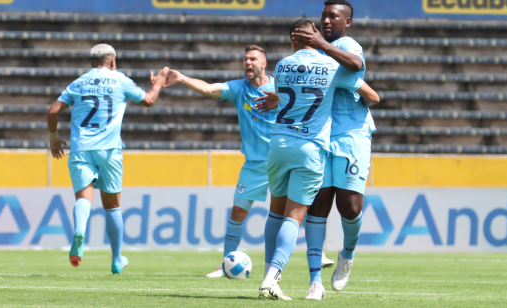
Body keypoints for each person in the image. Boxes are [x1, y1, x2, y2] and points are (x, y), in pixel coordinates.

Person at [161, 45, 330, 278]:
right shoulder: (238, 88)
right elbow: (209, 89)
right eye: (245, 59)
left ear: (264, 63)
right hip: (255, 164)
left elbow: (302, 101)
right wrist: (181, 78)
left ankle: (316, 252)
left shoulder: (279, 85)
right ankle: (226, 263)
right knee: (238, 212)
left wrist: (279, 99)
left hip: (282, 158)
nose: (247, 63)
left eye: (253, 59)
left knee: (300, 209)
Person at [257, 19, 372, 301]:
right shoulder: (332, 67)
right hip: (310, 147)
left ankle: (268, 273)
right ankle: (273, 276)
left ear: (293, 41)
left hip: (279, 143)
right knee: (295, 216)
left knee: (276, 210)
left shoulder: (282, 66)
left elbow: (285, 95)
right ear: (316, 37)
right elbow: (371, 95)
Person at [47, 43, 169, 274]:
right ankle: (116, 259)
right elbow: (149, 100)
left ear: (92, 63)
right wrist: (158, 85)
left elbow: (53, 111)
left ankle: (80, 230)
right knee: (112, 207)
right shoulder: (121, 80)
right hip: (110, 150)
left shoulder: (79, 82)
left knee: (84, 198)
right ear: (112, 61)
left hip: (81, 148)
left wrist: (53, 138)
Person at [291, 0, 378, 293]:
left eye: (334, 16)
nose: (327, 20)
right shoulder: (314, 54)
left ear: (347, 22)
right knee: (318, 205)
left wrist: (321, 44)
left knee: (350, 207)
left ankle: (348, 253)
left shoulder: (348, 45)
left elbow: (356, 66)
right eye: (324, 15)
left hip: (352, 134)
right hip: (319, 136)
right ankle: (315, 281)